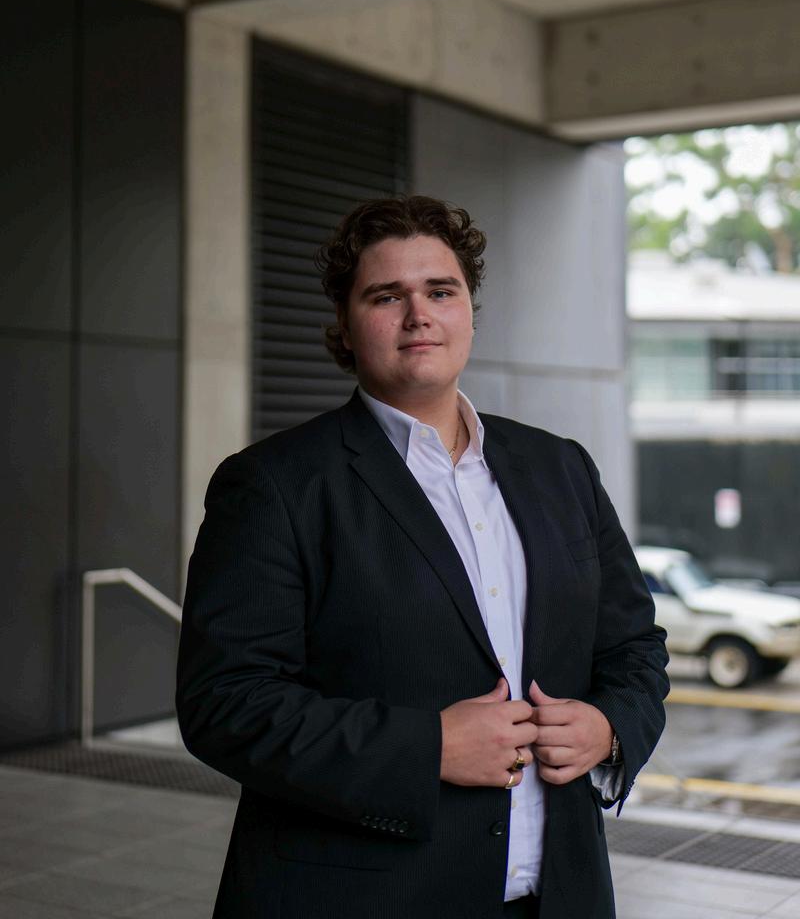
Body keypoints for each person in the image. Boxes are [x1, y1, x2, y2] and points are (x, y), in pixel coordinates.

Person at [176, 194, 668, 919]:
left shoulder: (561, 467)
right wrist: (426, 747)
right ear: (345, 324)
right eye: (386, 296)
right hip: (361, 900)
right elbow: (225, 703)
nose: (419, 315)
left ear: (469, 310)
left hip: (562, 896)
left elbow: (634, 649)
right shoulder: (274, 485)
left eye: (441, 291)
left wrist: (609, 728)